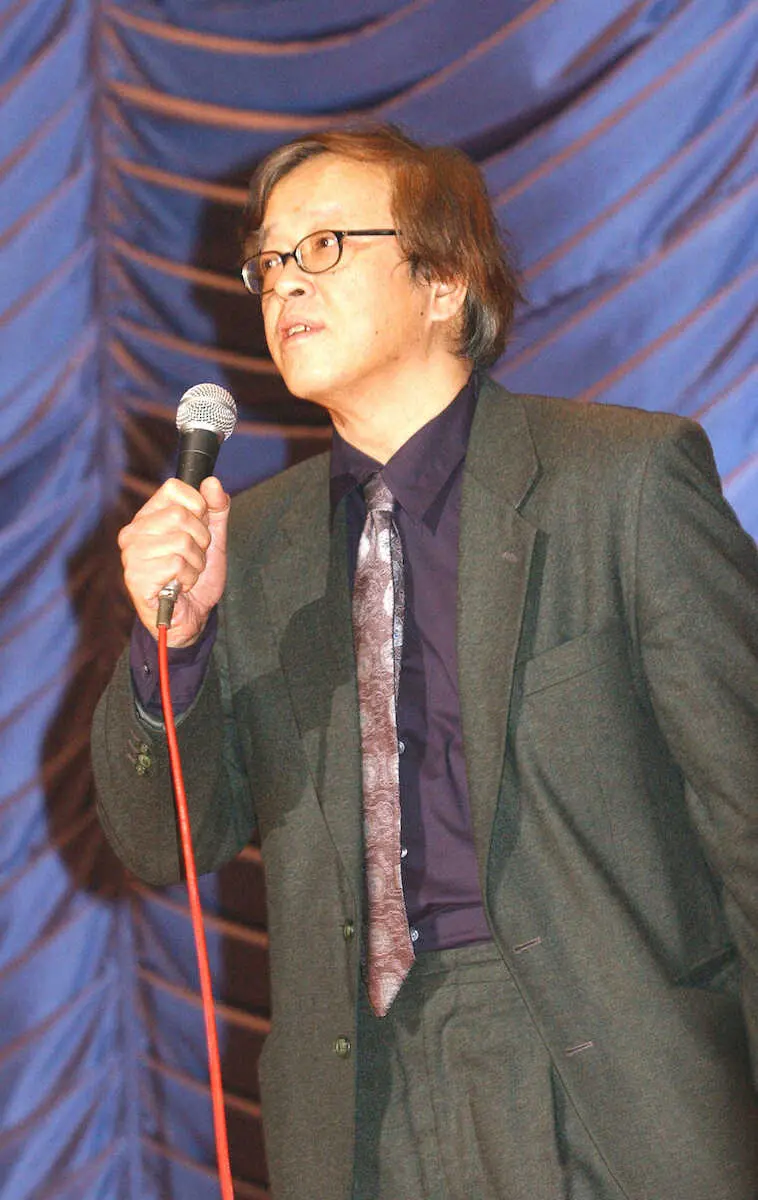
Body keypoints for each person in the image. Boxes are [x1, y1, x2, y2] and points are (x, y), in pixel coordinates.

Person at [91, 126, 758, 1200]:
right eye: (268, 261)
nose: (283, 284)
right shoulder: (246, 549)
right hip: (361, 1103)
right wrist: (174, 644)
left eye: (322, 246)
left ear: (444, 281)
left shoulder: (621, 482)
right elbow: (163, 840)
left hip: (608, 1079)